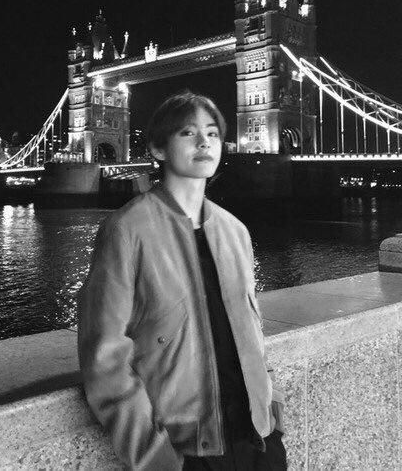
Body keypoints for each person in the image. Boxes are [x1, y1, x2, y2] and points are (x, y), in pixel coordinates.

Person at [77, 91, 287, 470]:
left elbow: (252, 334)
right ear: (158, 148)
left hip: (258, 442)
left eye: (212, 133)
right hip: (190, 452)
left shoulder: (235, 231)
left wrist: (273, 415)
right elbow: (104, 359)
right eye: (188, 133)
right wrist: (156, 458)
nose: (204, 142)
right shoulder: (126, 230)